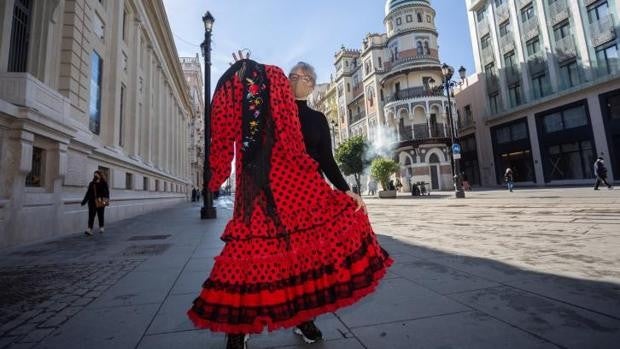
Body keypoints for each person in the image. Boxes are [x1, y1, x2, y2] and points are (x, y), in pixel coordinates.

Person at [187, 58, 392, 349]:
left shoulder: (318, 120)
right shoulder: (268, 102)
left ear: (311, 85)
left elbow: (326, 160)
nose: (298, 79)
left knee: (302, 258)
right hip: (265, 192)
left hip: (304, 194)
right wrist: (245, 73)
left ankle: (302, 317)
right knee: (250, 255)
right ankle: (239, 326)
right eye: (293, 74)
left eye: (305, 77)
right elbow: (248, 98)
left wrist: (346, 190)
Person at [80, 170, 109, 235]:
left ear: (100, 175)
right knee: (91, 216)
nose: (95, 176)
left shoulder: (104, 183)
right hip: (92, 202)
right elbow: (88, 193)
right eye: (94, 175)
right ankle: (89, 229)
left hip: (101, 201)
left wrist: (106, 200)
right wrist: (84, 201)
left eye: (96, 175)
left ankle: (101, 227)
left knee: (100, 215)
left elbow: (106, 192)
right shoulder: (91, 183)